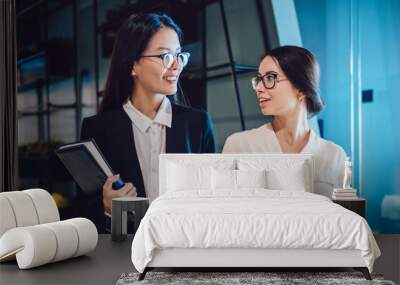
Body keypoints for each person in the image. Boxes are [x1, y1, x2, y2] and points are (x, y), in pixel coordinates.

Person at [79, 13, 216, 232]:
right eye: (165, 57)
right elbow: (82, 211)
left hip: (185, 250)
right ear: (133, 64)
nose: (176, 66)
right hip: (124, 255)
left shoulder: (197, 124)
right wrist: (105, 207)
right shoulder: (99, 129)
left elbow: (214, 199)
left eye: (179, 56)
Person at [223, 45, 346, 197]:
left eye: (270, 78)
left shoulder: (334, 157)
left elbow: (344, 218)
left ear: (301, 89)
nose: (259, 88)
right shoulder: (239, 146)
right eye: (259, 80)